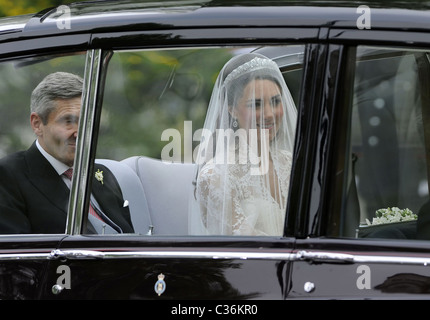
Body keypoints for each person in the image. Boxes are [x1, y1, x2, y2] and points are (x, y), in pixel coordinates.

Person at [0, 72, 134, 234]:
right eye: (68, 121)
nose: (80, 133)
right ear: (37, 124)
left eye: (86, 121)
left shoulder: (100, 174)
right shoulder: (9, 176)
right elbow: (16, 254)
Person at [189, 53, 297, 236]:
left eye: (276, 101)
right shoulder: (216, 176)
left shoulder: (291, 162)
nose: (269, 114)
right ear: (231, 109)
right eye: (256, 104)